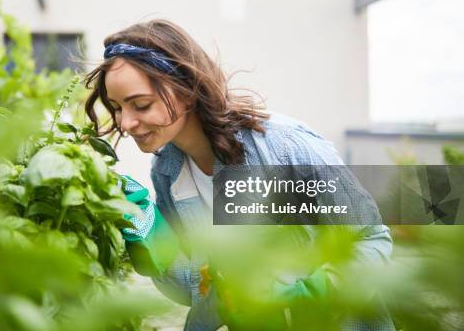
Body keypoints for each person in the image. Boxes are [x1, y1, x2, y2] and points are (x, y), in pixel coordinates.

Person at [84, 19, 395, 330]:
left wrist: (313, 292)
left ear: (187, 91)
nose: (125, 123)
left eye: (141, 105)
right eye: (116, 108)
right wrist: (152, 233)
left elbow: (371, 240)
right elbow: (195, 290)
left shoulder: (283, 147)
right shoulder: (168, 171)